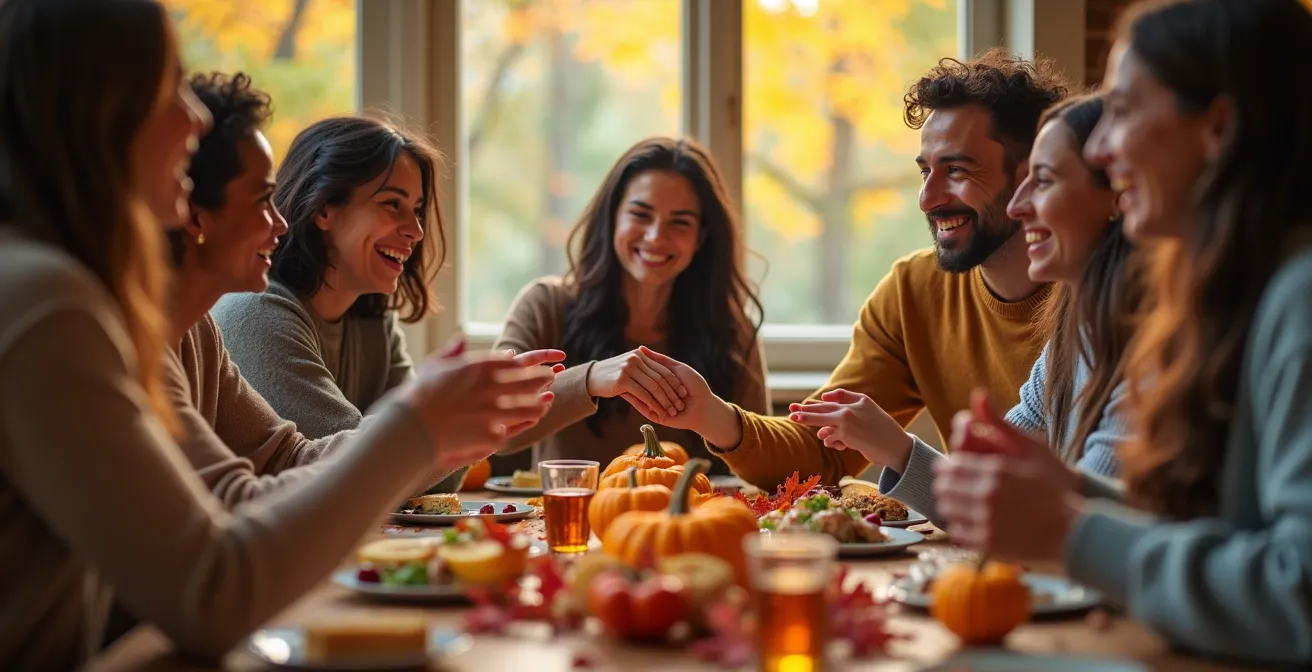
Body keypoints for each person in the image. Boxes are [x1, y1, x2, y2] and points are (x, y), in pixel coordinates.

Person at [0, 1, 551, 667]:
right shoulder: (45, 303)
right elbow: (211, 593)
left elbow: (266, 474)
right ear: (95, 106)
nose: (195, 118)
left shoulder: (125, 312)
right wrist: (414, 426)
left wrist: (430, 428)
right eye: (168, 83)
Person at [934, 0, 1312, 664]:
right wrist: (1071, 496)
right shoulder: (1231, 298)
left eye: (1127, 111)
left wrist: (1071, 530)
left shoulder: (1300, 298)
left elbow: (1298, 592)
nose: (1104, 149)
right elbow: (1223, 534)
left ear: (1217, 128)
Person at [623, 49, 1069, 489]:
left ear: (1030, 177)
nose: (927, 198)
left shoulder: (1099, 299)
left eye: (956, 170)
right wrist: (710, 413)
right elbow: (820, 452)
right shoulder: (913, 291)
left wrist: (901, 451)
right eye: (924, 171)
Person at [212, 116, 561, 492]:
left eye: (417, 209)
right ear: (324, 208)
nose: (416, 230)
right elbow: (364, 474)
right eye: (392, 204)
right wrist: (458, 417)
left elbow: (426, 482)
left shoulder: (372, 320)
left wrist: (479, 418)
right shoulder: (256, 316)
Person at [873, 94, 1140, 525]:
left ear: (1118, 195)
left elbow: (1087, 529)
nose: (1017, 206)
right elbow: (985, 500)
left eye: (1045, 181)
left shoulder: (1149, 348)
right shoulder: (1074, 341)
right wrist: (896, 448)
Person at [492, 137, 769, 475]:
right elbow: (492, 425)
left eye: (679, 222)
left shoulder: (732, 330)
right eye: (640, 214)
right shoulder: (544, 305)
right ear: (613, 218)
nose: (655, 236)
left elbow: (763, 464)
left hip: (683, 523)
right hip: (566, 523)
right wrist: (590, 379)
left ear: (701, 238)